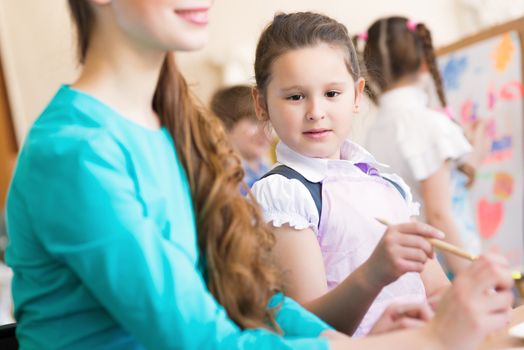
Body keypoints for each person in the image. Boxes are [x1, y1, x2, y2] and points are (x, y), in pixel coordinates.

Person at [4, 3, 512, 349]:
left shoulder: (171, 132)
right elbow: (196, 338)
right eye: (295, 96)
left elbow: (250, 299)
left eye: (333, 94)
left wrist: (348, 339)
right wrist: (424, 340)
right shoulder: (76, 151)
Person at [251, 12, 452, 337]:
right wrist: (374, 272)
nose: (316, 112)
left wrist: (472, 292)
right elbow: (308, 330)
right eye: (295, 96)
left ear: (357, 95)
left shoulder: (386, 184)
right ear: (261, 104)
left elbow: (437, 291)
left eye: (332, 93)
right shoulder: (284, 193)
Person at [361, 16, 482, 275]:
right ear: (425, 61)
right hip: (449, 267)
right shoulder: (428, 124)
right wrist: (474, 279)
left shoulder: (373, 133)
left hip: (411, 269)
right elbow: (439, 215)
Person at [210, 85, 271, 190]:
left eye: (268, 123)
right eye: (254, 122)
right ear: (225, 125)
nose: (265, 132)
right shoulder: (219, 180)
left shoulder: (269, 170)